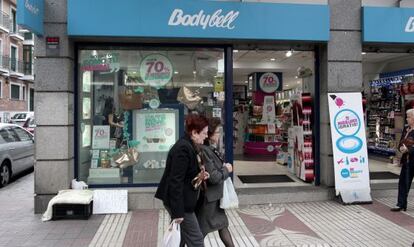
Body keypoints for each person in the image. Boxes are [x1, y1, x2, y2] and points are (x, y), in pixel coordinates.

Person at [155, 114, 210, 247]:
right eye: (204, 133)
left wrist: (200, 176)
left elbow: (186, 176)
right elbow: (176, 181)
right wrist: (178, 212)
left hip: (184, 201)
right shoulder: (183, 148)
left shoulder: (190, 145)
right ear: (194, 133)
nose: (206, 136)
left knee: (181, 237)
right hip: (182, 203)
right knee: (196, 240)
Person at [196, 117, 235, 247]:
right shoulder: (205, 150)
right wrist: (226, 169)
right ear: (210, 134)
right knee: (200, 232)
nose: (219, 135)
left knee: (222, 226)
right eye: (217, 132)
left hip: (215, 198)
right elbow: (213, 177)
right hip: (209, 200)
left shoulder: (210, 149)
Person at [391, 108, 414, 212]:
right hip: (407, 161)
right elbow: (401, 142)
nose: (407, 119)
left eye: (409, 117)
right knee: (403, 182)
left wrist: (409, 149)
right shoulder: (406, 129)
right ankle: (401, 204)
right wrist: (401, 148)